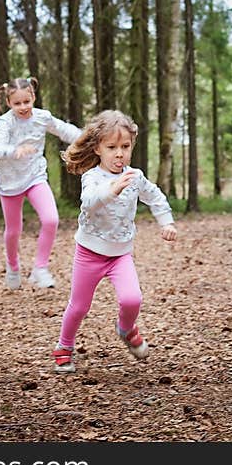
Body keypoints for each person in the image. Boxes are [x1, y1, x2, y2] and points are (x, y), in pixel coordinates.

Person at [52, 110, 177, 374]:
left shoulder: (135, 176)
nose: (119, 153)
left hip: (120, 254)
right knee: (79, 306)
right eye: (112, 147)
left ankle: (126, 329)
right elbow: (89, 203)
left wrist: (166, 222)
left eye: (125, 146)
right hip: (89, 253)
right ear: (98, 148)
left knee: (133, 299)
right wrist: (113, 189)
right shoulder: (92, 177)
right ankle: (64, 346)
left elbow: (154, 197)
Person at [0, 77, 81, 291]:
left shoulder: (42, 117)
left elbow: (66, 131)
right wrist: (14, 151)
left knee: (51, 219)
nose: (23, 107)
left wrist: (87, 138)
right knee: (14, 230)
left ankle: (40, 268)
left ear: (33, 97)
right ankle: (13, 267)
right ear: (9, 103)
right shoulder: (6, 122)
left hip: (35, 177)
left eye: (27, 101)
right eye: (17, 103)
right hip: (9, 183)